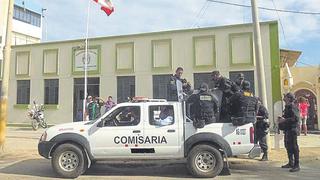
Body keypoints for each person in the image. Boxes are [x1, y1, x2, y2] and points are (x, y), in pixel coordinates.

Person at [278, 92, 300, 172]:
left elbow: (296, 118)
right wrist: (282, 119)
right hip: (288, 129)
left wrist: (285, 120)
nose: (284, 97)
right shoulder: (287, 107)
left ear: (289, 98)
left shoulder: (293, 106)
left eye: (286, 96)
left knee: (294, 147)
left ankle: (297, 165)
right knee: (288, 146)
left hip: (293, 129)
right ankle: (291, 162)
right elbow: (288, 117)